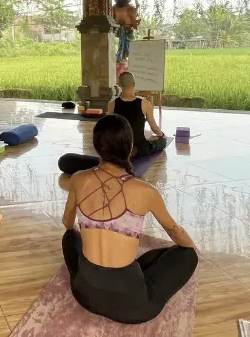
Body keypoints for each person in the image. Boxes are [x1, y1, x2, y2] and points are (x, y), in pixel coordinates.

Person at [61, 114, 198, 324]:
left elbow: (67, 223)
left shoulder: (79, 179)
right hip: (133, 308)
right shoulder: (145, 190)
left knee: (69, 237)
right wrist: (190, 247)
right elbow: (174, 231)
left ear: (96, 146)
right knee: (185, 255)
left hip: (84, 294)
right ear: (130, 145)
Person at [58, 71, 166, 175]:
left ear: (119, 85)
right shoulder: (145, 104)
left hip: (118, 147)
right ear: (133, 84)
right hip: (139, 146)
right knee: (161, 143)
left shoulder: (112, 104)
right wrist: (162, 135)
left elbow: (108, 127)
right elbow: (154, 128)